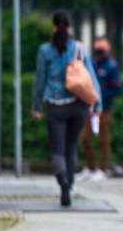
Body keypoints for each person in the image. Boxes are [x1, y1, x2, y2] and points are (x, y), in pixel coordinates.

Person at [31, 11, 101, 207]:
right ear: (69, 26)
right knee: (71, 147)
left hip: (55, 106)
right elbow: (91, 78)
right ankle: (69, 185)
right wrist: (98, 104)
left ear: (53, 26)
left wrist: (36, 106)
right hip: (78, 105)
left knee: (57, 149)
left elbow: (40, 81)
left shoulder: (45, 50)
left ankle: (61, 178)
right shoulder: (79, 48)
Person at [78, 36, 123, 182]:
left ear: (108, 48)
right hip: (89, 108)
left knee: (103, 139)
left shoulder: (111, 66)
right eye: (97, 48)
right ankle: (90, 168)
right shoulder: (91, 64)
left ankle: (102, 170)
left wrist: (99, 95)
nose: (99, 51)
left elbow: (117, 89)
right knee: (85, 137)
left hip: (105, 109)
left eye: (101, 49)